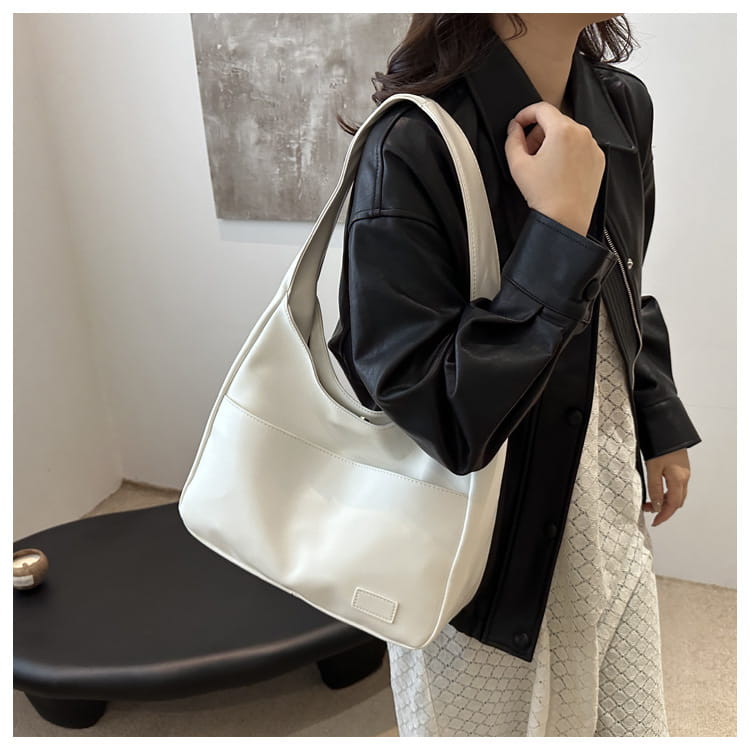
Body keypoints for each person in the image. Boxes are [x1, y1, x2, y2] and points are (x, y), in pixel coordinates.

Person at [328, 12, 701, 737]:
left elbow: (625, 286)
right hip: (479, 556)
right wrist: (556, 229)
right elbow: (434, 408)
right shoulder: (411, 142)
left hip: (608, 504)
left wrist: (658, 417)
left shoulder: (620, 104)